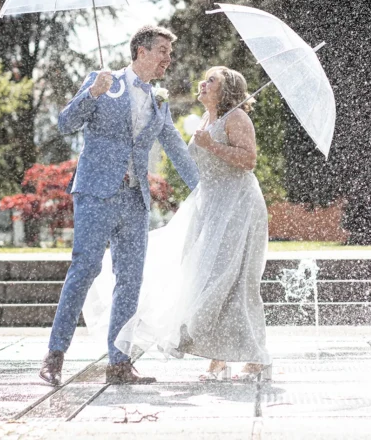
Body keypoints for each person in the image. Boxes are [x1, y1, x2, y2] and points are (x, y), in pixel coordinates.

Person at [83, 66, 272, 381]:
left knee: (233, 279)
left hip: (237, 207)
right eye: (206, 77)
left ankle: (257, 356)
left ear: (227, 90)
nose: (203, 82)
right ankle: (218, 355)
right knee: (204, 277)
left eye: (212, 80)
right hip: (209, 206)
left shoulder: (237, 118)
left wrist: (212, 146)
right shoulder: (207, 119)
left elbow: (249, 160)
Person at [39, 25, 200, 386]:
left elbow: (174, 145)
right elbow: (66, 123)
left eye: (169, 53)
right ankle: (54, 356)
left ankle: (119, 362)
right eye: (163, 51)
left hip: (135, 200)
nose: (168, 59)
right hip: (96, 194)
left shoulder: (159, 99)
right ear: (141, 51)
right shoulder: (102, 81)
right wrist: (91, 95)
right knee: (84, 270)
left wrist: (203, 190)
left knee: (130, 281)